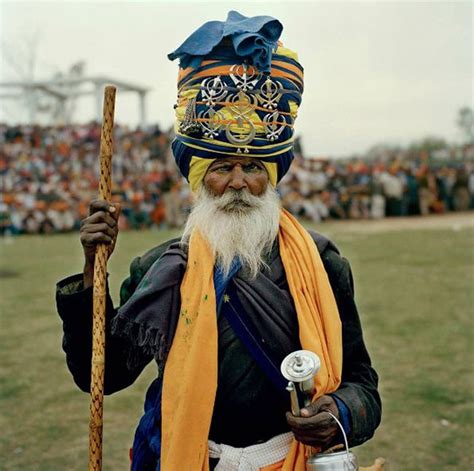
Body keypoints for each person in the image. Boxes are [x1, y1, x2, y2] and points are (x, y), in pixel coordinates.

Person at [56, 11, 381, 471]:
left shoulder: (321, 262)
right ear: (197, 179)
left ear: (270, 178)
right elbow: (102, 377)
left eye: (251, 168)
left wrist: (341, 412)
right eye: (221, 168)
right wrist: (93, 269)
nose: (237, 183)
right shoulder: (160, 268)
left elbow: (363, 384)